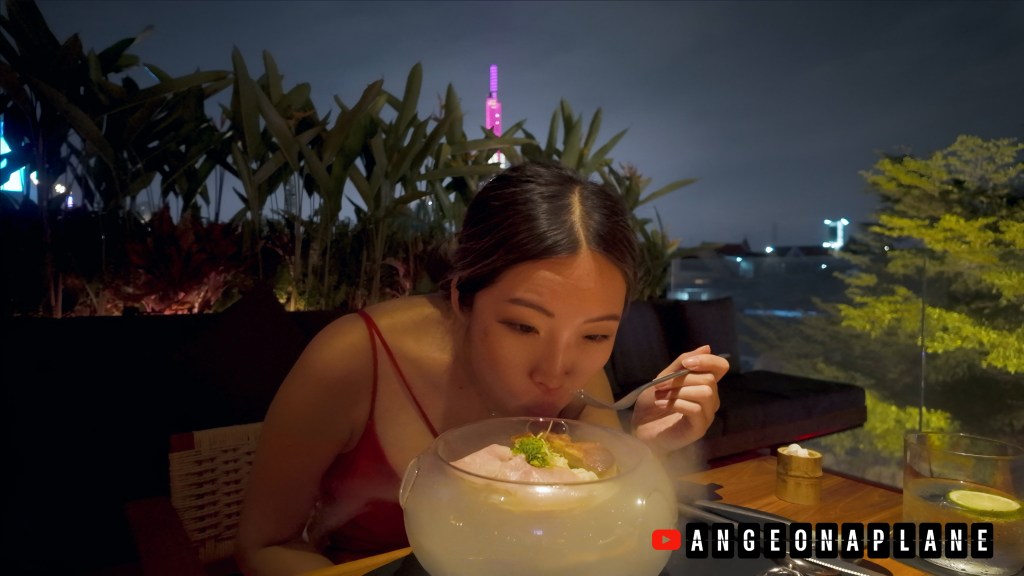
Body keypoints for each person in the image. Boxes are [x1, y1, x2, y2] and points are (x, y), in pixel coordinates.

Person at [235, 162, 727, 575]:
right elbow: (263, 548)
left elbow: (606, 534)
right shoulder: (354, 359)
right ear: (462, 297)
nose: (556, 373)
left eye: (596, 335)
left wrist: (644, 450)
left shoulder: (582, 381)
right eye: (521, 327)